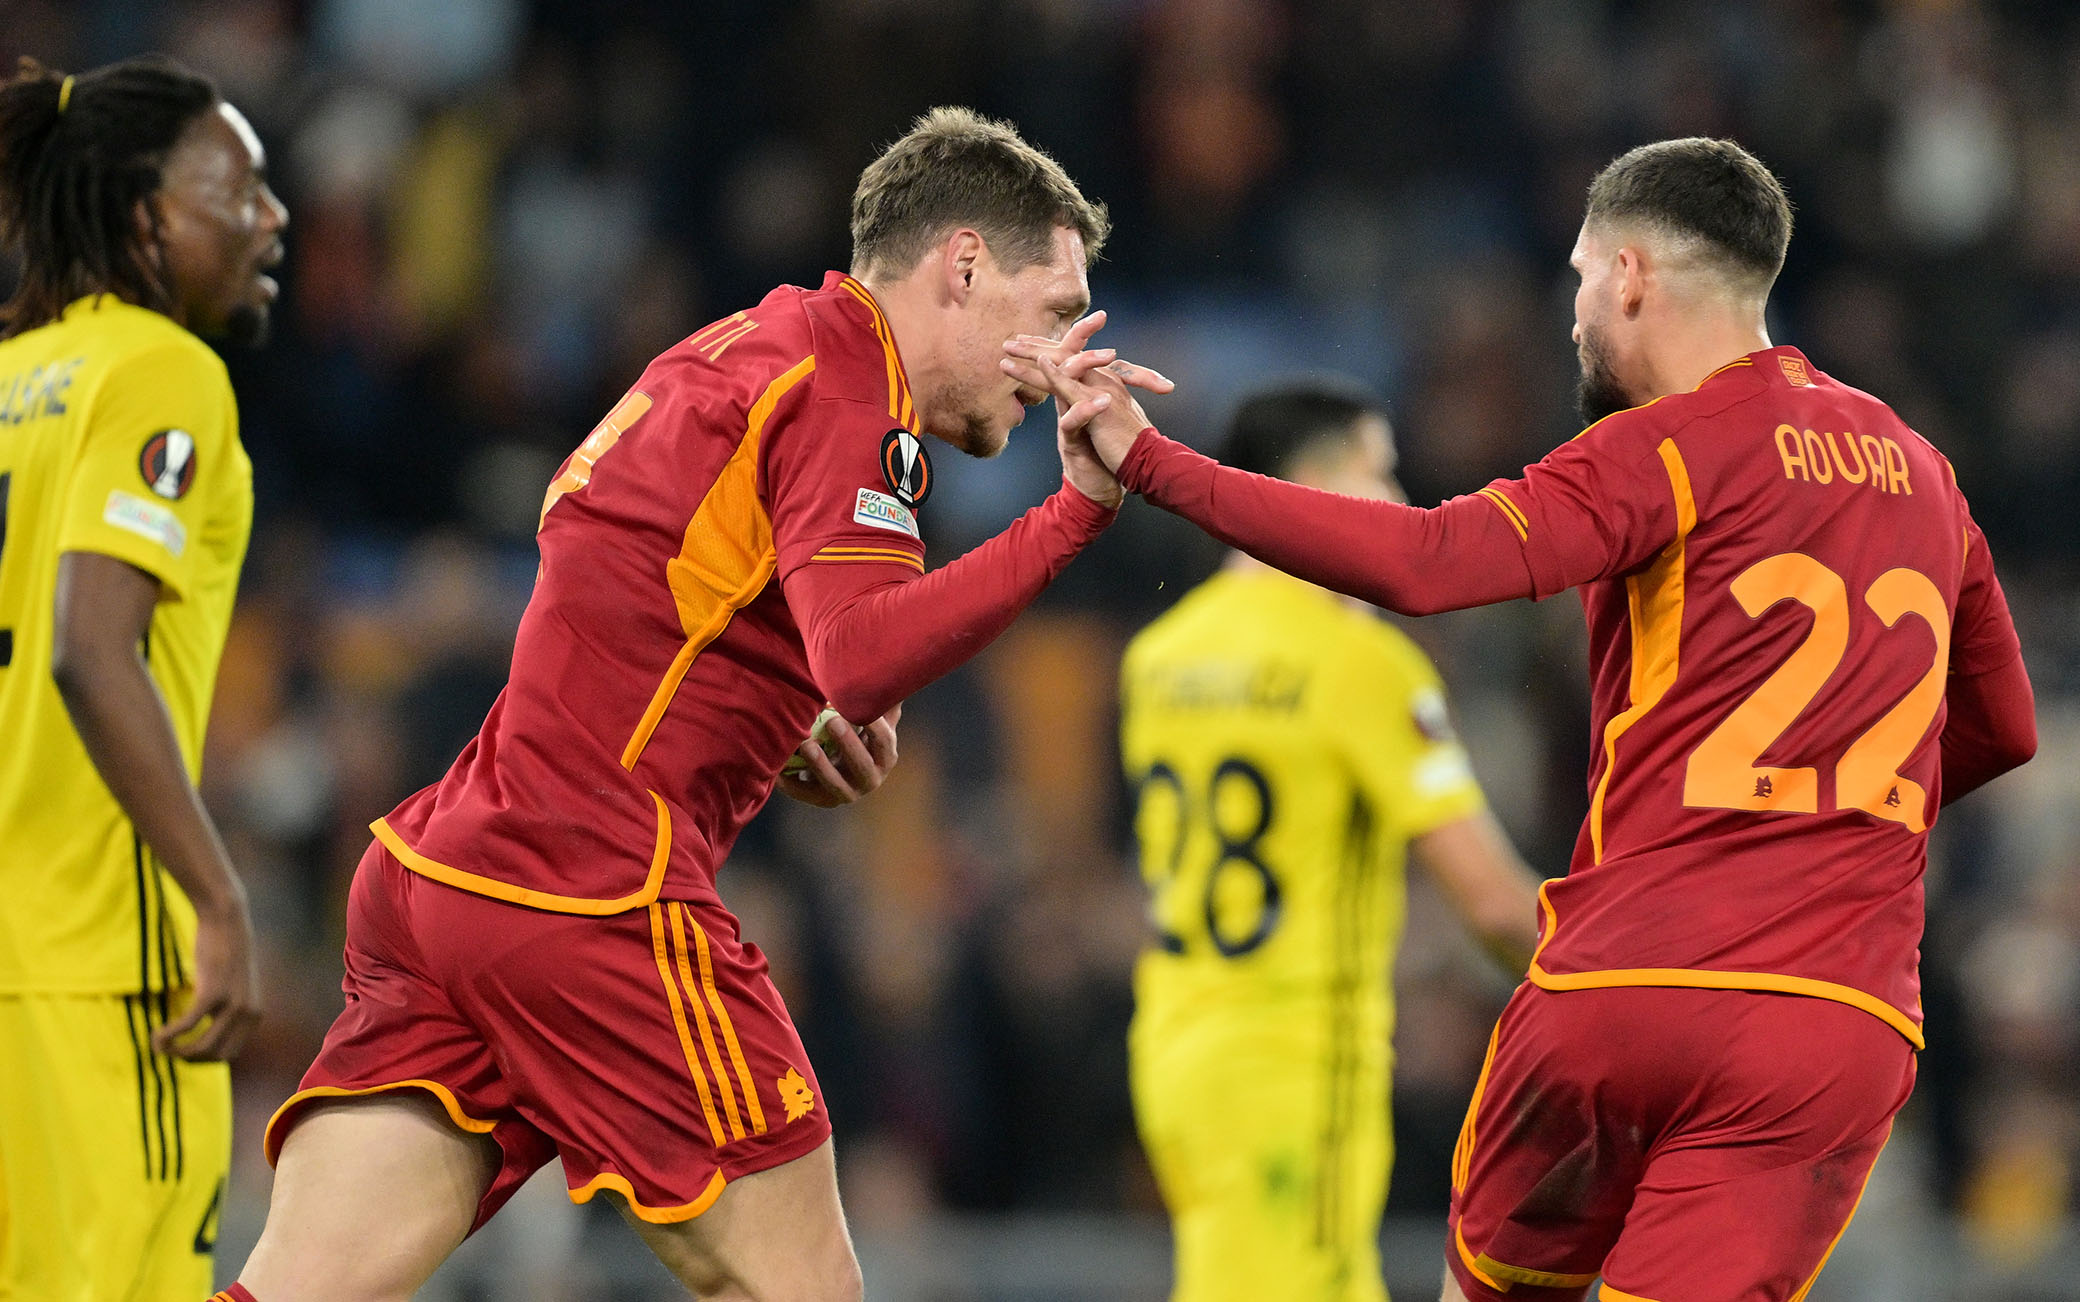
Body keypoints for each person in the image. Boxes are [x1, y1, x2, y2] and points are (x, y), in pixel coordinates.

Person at [1008, 137, 2038, 1302]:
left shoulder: (1665, 451)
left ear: (1634, 275)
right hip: (1829, 1019)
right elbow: (2002, 726)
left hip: (1620, 987)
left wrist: (1153, 464)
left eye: (1582, 279)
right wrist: (1826, 817)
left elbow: (1425, 559)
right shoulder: (1927, 477)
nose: (1575, 314)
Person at [226, 106, 1169, 1302]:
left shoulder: (740, 347)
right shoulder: (844, 393)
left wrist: (773, 707)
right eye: (1051, 315)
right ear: (964, 265)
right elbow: (868, 655)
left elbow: (611, 559)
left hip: (451, 879)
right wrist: (1075, 513)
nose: (1065, 360)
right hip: (591, 889)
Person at [1120, 381, 1541, 1302]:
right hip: (1298, 1062)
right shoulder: (1357, 660)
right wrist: (1635, 977)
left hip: (1178, 1050)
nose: (1400, 503)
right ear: (1314, 486)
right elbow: (1494, 902)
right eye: (1379, 472)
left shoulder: (1161, 659)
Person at [0, 55, 288, 1300]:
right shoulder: (161, 372)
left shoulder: (11, 382)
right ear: (141, 220)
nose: (271, 217)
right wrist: (217, 902)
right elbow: (86, 643)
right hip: (102, 971)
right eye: (239, 189)